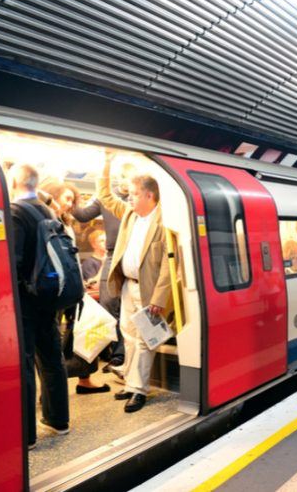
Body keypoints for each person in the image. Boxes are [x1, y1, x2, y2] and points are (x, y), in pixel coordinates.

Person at [98, 151, 172, 413]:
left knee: (144, 339)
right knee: (128, 335)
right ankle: (131, 384)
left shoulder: (165, 218)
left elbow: (168, 261)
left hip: (149, 290)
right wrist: (106, 163)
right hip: (128, 285)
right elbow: (105, 197)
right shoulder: (131, 214)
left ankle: (139, 391)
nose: (129, 198)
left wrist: (159, 298)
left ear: (149, 195)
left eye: (134, 193)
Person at [9, 164, 70, 449]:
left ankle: (27, 435)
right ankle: (59, 421)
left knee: (25, 362)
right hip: (50, 296)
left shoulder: (15, 212)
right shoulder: (50, 210)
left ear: (13, 183)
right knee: (52, 357)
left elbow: (15, 260)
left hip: (25, 298)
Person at [42, 181, 110, 395]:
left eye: (73, 200)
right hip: (55, 289)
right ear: (53, 197)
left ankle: (84, 379)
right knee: (53, 341)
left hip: (72, 287)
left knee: (81, 332)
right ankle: (49, 390)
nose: (70, 204)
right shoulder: (44, 221)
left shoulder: (67, 223)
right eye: (67, 199)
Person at [73, 162, 137, 369]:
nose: (130, 182)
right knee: (109, 302)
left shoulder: (140, 198)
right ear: (121, 178)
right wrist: (72, 199)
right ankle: (117, 352)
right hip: (112, 254)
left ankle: (132, 350)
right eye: (127, 177)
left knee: (134, 302)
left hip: (134, 252)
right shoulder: (107, 198)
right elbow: (82, 216)